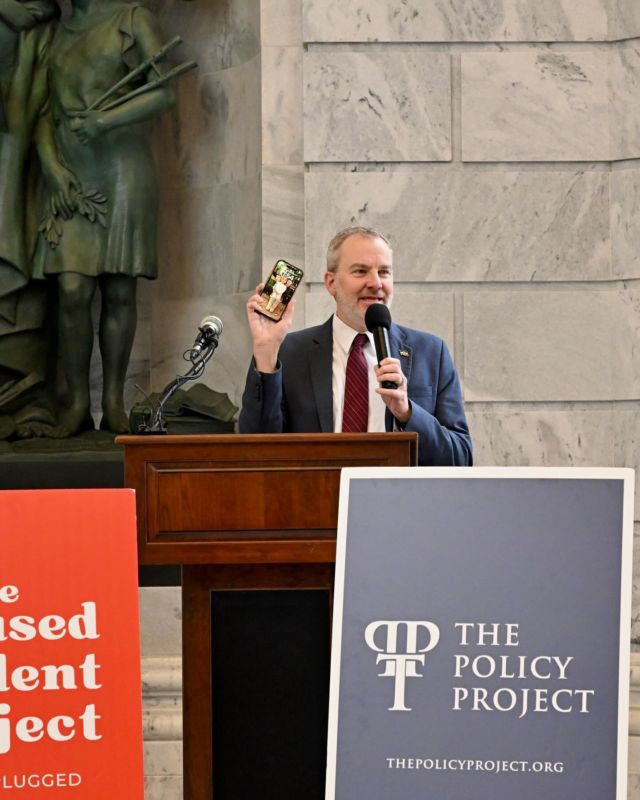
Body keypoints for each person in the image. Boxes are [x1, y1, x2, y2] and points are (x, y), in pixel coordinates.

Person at [32, 0, 175, 436]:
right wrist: (53, 169)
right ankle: (76, 402)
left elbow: (165, 89)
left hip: (122, 168)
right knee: (72, 288)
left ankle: (112, 400)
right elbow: (41, 111)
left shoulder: (132, 19)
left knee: (118, 289)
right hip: (69, 170)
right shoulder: (55, 31)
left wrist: (105, 121)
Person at [239, 226, 472, 466]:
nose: (375, 283)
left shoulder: (431, 352)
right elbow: (254, 454)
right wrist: (266, 351)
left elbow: (461, 458)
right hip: (315, 498)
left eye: (384, 272)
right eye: (360, 271)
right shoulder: (289, 352)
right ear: (331, 283)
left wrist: (408, 412)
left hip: (397, 501)